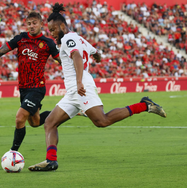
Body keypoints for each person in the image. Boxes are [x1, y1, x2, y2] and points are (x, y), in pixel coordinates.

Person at [28, 3, 166, 171]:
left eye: (54, 30)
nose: (52, 34)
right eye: (50, 31)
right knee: (50, 123)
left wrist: (79, 81)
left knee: (102, 120)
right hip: (73, 91)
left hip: (80, 86)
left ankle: (144, 105)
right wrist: (97, 56)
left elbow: (77, 56)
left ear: (62, 26)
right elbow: (94, 51)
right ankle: (51, 161)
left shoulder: (67, 39)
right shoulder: (77, 37)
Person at [0, 12, 61, 152]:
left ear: (41, 24)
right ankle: (67, 111)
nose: (31, 26)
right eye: (29, 23)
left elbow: (62, 61)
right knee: (35, 122)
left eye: (34, 23)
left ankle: (13, 152)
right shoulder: (21, 39)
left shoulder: (48, 43)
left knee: (20, 118)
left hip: (37, 87)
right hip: (23, 88)